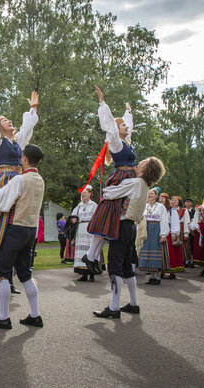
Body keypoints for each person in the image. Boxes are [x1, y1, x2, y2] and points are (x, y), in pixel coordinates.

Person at [0, 74, 39, 263]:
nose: (9, 121)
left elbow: (27, 129)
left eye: (9, 120)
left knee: (17, 221)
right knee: (0, 220)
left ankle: (14, 265)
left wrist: (32, 109)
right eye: (4, 120)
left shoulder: (18, 142)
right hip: (4, 181)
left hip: (20, 180)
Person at [92, 157, 166, 319]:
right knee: (127, 267)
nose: (139, 163)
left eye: (143, 163)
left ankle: (114, 307)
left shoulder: (136, 182)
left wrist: (109, 184)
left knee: (115, 267)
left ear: (147, 169)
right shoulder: (145, 185)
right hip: (131, 227)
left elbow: (109, 193)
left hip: (121, 225)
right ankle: (133, 303)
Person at [0, 144, 45, 329]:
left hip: (15, 229)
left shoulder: (20, 179)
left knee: (2, 274)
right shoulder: (40, 179)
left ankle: (4, 317)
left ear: (24, 159)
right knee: (25, 274)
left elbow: (3, 199)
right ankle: (35, 314)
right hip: (30, 230)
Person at [82, 86, 136, 275]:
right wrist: (102, 103)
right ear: (117, 129)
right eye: (123, 126)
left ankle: (91, 256)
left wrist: (128, 112)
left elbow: (127, 126)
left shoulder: (127, 142)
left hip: (128, 180)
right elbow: (110, 125)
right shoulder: (115, 142)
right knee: (109, 220)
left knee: (110, 222)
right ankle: (90, 255)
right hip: (120, 180)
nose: (126, 128)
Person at [138, 187, 170, 285]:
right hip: (146, 231)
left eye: (152, 194)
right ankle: (151, 277)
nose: (149, 195)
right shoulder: (145, 206)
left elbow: (164, 220)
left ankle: (157, 277)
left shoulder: (160, 207)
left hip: (156, 230)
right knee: (147, 254)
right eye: (148, 194)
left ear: (156, 196)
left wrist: (163, 234)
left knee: (156, 253)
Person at [72, 185, 98, 281]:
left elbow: (97, 218)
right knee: (81, 250)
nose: (83, 194)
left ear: (90, 194)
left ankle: (92, 274)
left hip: (90, 229)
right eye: (82, 193)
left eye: (85, 193)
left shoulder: (94, 205)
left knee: (90, 250)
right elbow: (73, 215)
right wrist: (73, 219)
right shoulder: (79, 205)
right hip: (81, 228)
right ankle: (83, 274)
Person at [164, 196, 189, 279]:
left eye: (176, 200)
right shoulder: (160, 209)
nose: (174, 202)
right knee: (164, 252)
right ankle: (162, 270)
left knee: (173, 252)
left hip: (171, 231)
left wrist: (175, 233)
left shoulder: (173, 210)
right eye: (173, 200)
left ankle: (173, 271)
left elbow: (176, 222)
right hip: (164, 232)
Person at [184, 198, 196, 268]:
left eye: (189, 202)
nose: (188, 203)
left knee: (192, 245)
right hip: (185, 229)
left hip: (192, 230)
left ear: (191, 203)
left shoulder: (194, 212)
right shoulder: (183, 210)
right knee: (185, 245)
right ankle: (185, 260)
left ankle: (192, 260)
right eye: (186, 202)